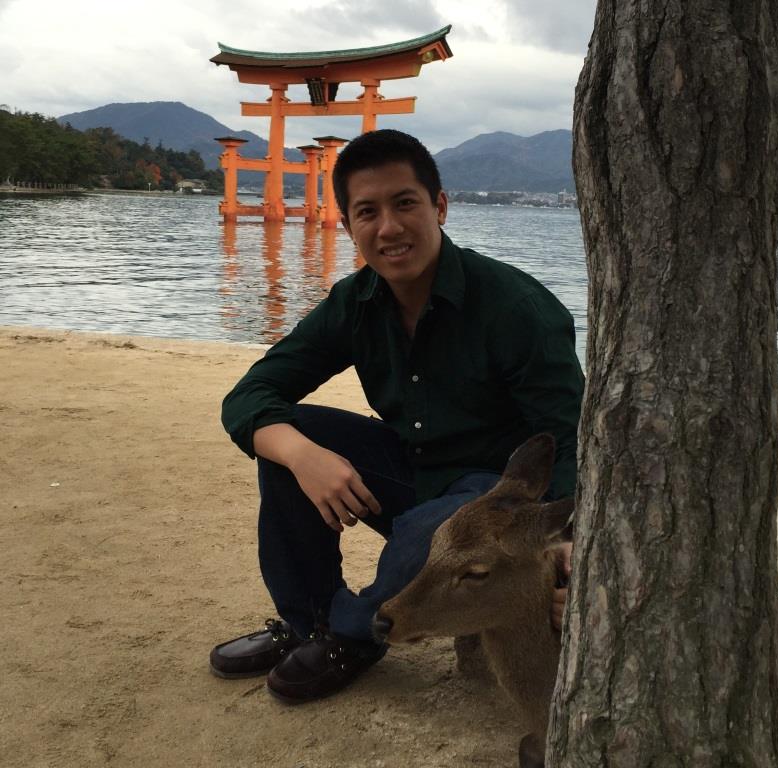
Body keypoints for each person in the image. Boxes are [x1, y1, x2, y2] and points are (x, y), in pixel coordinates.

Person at [210, 129, 585, 703]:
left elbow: (569, 437)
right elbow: (252, 393)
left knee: (429, 528)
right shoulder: (355, 303)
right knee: (293, 433)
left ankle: (353, 636)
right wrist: (302, 455)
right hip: (415, 469)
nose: (388, 227)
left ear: (438, 206)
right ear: (348, 224)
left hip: (493, 499)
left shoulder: (517, 307)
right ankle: (308, 624)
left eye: (405, 203)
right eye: (368, 212)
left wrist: (565, 545)